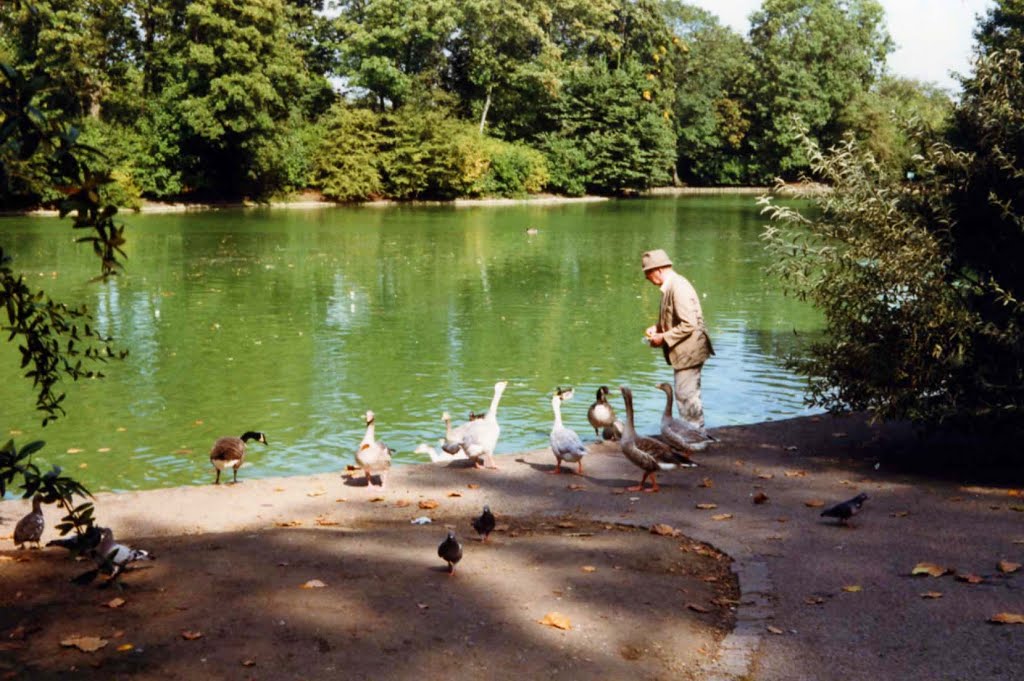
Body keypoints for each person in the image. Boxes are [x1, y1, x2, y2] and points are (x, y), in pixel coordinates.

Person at [641, 248, 714, 429]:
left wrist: (662, 338)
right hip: (685, 351)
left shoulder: (678, 287)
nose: (647, 278)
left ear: (658, 270)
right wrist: (657, 327)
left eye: (647, 273)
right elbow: (675, 317)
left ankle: (696, 438)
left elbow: (689, 323)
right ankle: (693, 436)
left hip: (690, 352)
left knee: (686, 396)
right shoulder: (670, 286)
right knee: (684, 394)